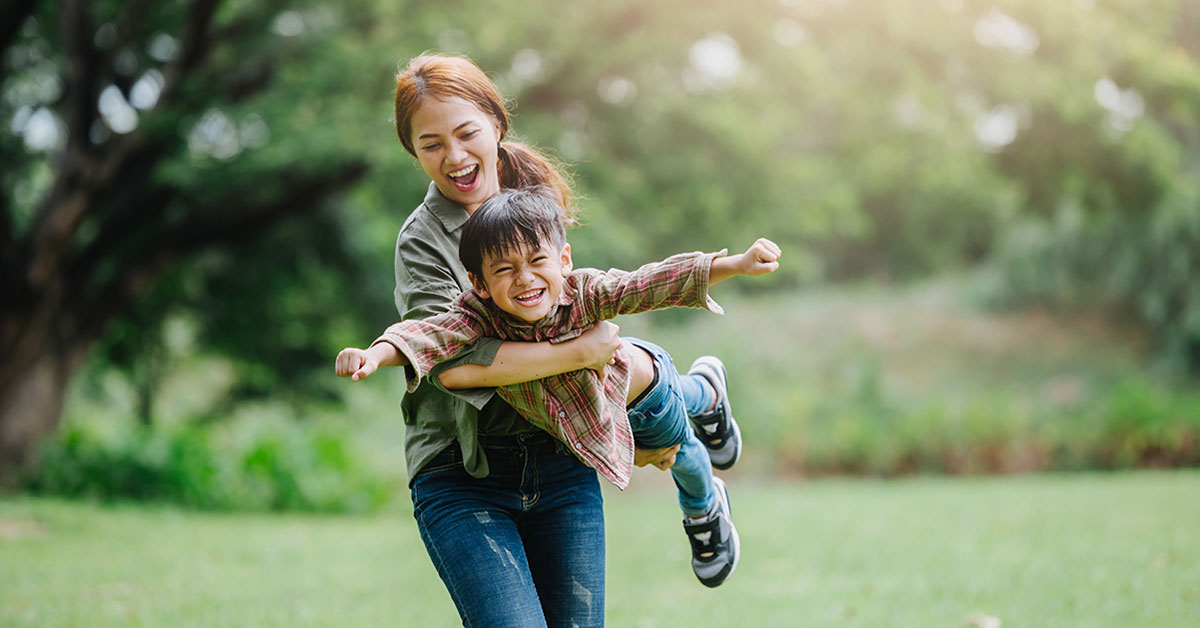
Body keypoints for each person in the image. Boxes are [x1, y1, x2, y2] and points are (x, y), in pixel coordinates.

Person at [355, 53, 739, 626]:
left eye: (466, 134)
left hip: (558, 449)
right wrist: (577, 354)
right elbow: (454, 360)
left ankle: (697, 416)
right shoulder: (422, 242)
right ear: (413, 152)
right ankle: (698, 400)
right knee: (615, 356)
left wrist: (722, 267)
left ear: (496, 123)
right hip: (465, 468)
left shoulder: (532, 196)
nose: (455, 157)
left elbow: (600, 296)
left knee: (631, 363)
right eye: (432, 144)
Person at [337, 189, 781, 587]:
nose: (525, 278)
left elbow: (649, 283)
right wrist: (374, 354)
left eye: (537, 261)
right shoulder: (477, 318)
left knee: (679, 451)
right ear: (479, 283)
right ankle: (706, 391)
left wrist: (735, 265)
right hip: (601, 409)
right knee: (683, 421)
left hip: (640, 393)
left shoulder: (585, 292)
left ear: (564, 259)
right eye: (505, 270)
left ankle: (704, 505)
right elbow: (429, 335)